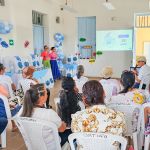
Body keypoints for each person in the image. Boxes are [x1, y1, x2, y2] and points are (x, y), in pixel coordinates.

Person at [57, 77, 81, 146]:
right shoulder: (77, 96)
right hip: (74, 128)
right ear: (73, 86)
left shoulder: (60, 94)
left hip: (63, 127)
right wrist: (77, 92)